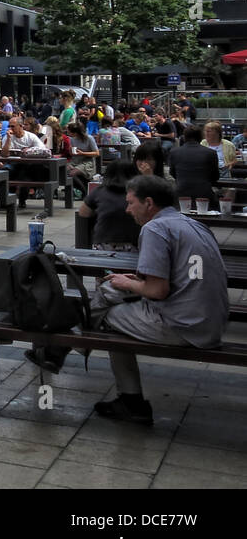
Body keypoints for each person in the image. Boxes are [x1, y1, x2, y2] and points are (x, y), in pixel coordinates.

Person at [64, 176, 228, 425]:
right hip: (212, 322)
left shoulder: (154, 228)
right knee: (114, 296)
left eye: (130, 203)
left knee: (110, 311)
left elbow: (157, 290)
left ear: (149, 203)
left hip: (185, 325)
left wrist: (127, 283)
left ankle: (75, 347)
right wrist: (135, 280)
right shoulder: (193, 224)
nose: (127, 209)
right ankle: (74, 346)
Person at [167, 124, 219, 203]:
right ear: (201, 137)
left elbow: (172, 173)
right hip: (204, 195)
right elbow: (215, 176)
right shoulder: (211, 153)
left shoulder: (174, 152)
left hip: (181, 194)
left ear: (184, 137)